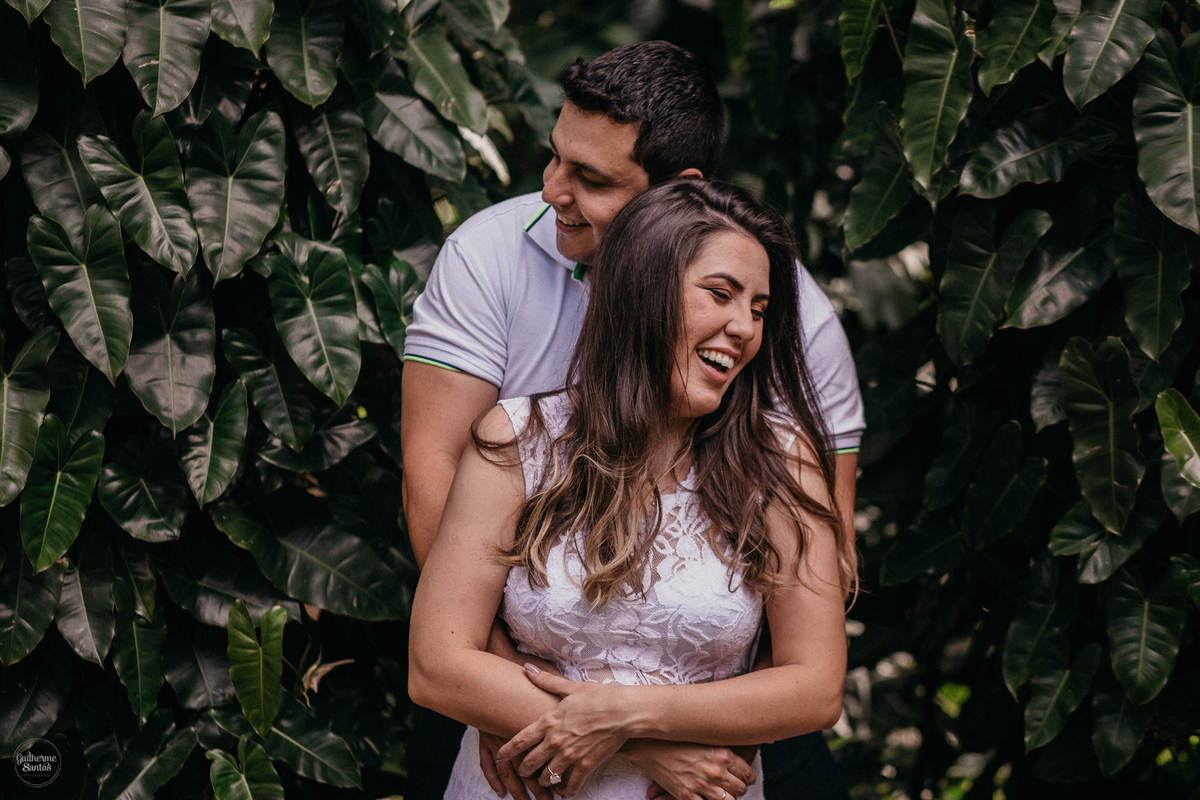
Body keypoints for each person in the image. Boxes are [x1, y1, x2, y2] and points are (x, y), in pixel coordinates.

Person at [401, 41, 863, 800]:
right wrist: (604, 736)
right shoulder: (497, 302)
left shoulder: (787, 358)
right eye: (719, 295)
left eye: (757, 308)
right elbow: (438, 615)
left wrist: (638, 719)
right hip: (521, 740)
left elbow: (813, 659)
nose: (744, 328)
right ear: (640, 286)